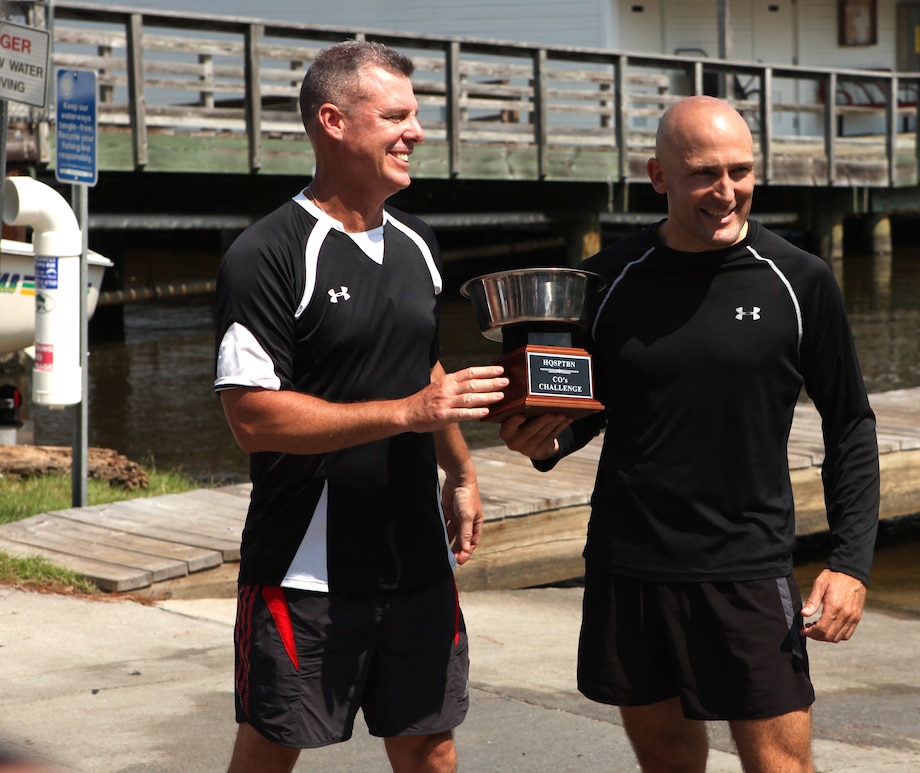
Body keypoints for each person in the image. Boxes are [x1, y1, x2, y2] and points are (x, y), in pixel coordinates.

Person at [498, 96, 880, 773]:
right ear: (658, 177)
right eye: (704, 174)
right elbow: (587, 408)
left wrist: (850, 563)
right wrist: (546, 442)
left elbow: (849, 424)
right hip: (631, 559)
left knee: (781, 765)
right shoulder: (606, 280)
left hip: (745, 563)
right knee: (668, 759)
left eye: (740, 170)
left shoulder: (799, 280)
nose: (726, 191)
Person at [212, 41, 508, 773]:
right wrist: (407, 412)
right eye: (397, 116)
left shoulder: (418, 243)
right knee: (272, 748)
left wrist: (460, 472)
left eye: (417, 114)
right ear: (334, 121)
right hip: (306, 565)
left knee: (430, 746)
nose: (416, 132)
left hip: (415, 557)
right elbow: (252, 416)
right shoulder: (266, 254)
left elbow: (420, 364)